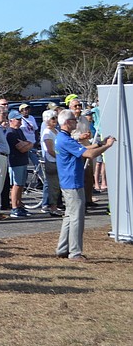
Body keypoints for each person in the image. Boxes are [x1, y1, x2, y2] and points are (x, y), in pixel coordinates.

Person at [55, 109, 115, 260]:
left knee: (69, 216)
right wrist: (107, 146)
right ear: (67, 123)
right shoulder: (65, 139)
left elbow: (82, 149)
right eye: (74, 120)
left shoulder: (63, 138)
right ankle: (75, 252)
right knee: (77, 218)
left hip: (68, 181)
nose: (76, 122)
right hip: (72, 183)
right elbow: (88, 154)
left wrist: (99, 143)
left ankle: (62, 248)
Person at [6, 110, 34, 217]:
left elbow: (27, 144)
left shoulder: (20, 131)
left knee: (21, 185)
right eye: (17, 119)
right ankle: (14, 207)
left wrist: (26, 144)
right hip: (15, 162)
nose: (20, 121)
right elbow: (21, 148)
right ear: (11, 120)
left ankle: (19, 205)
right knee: (16, 185)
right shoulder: (10, 133)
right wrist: (26, 145)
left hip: (22, 161)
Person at [40, 110, 63, 217]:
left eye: (56, 118)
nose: (55, 120)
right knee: (53, 186)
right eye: (52, 118)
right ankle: (52, 208)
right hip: (52, 162)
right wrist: (60, 158)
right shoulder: (47, 133)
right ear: (46, 120)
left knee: (58, 186)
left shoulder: (56, 131)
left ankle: (56, 206)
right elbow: (50, 150)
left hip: (58, 161)